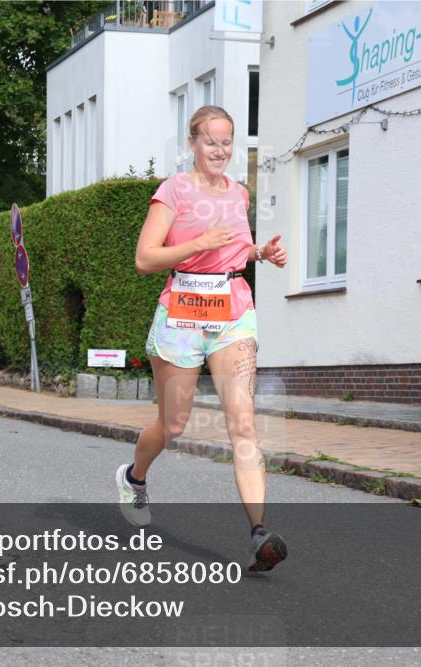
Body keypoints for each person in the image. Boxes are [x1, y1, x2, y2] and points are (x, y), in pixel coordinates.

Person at [116, 105, 290, 572]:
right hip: (182, 313)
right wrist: (197, 244)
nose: (220, 149)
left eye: (227, 141)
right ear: (192, 142)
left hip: (233, 311)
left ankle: (258, 533)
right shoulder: (173, 190)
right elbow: (145, 258)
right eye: (211, 140)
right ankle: (134, 477)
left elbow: (234, 248)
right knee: (172, 425)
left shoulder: (238, 194)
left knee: (244, 423)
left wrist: (261, 252)